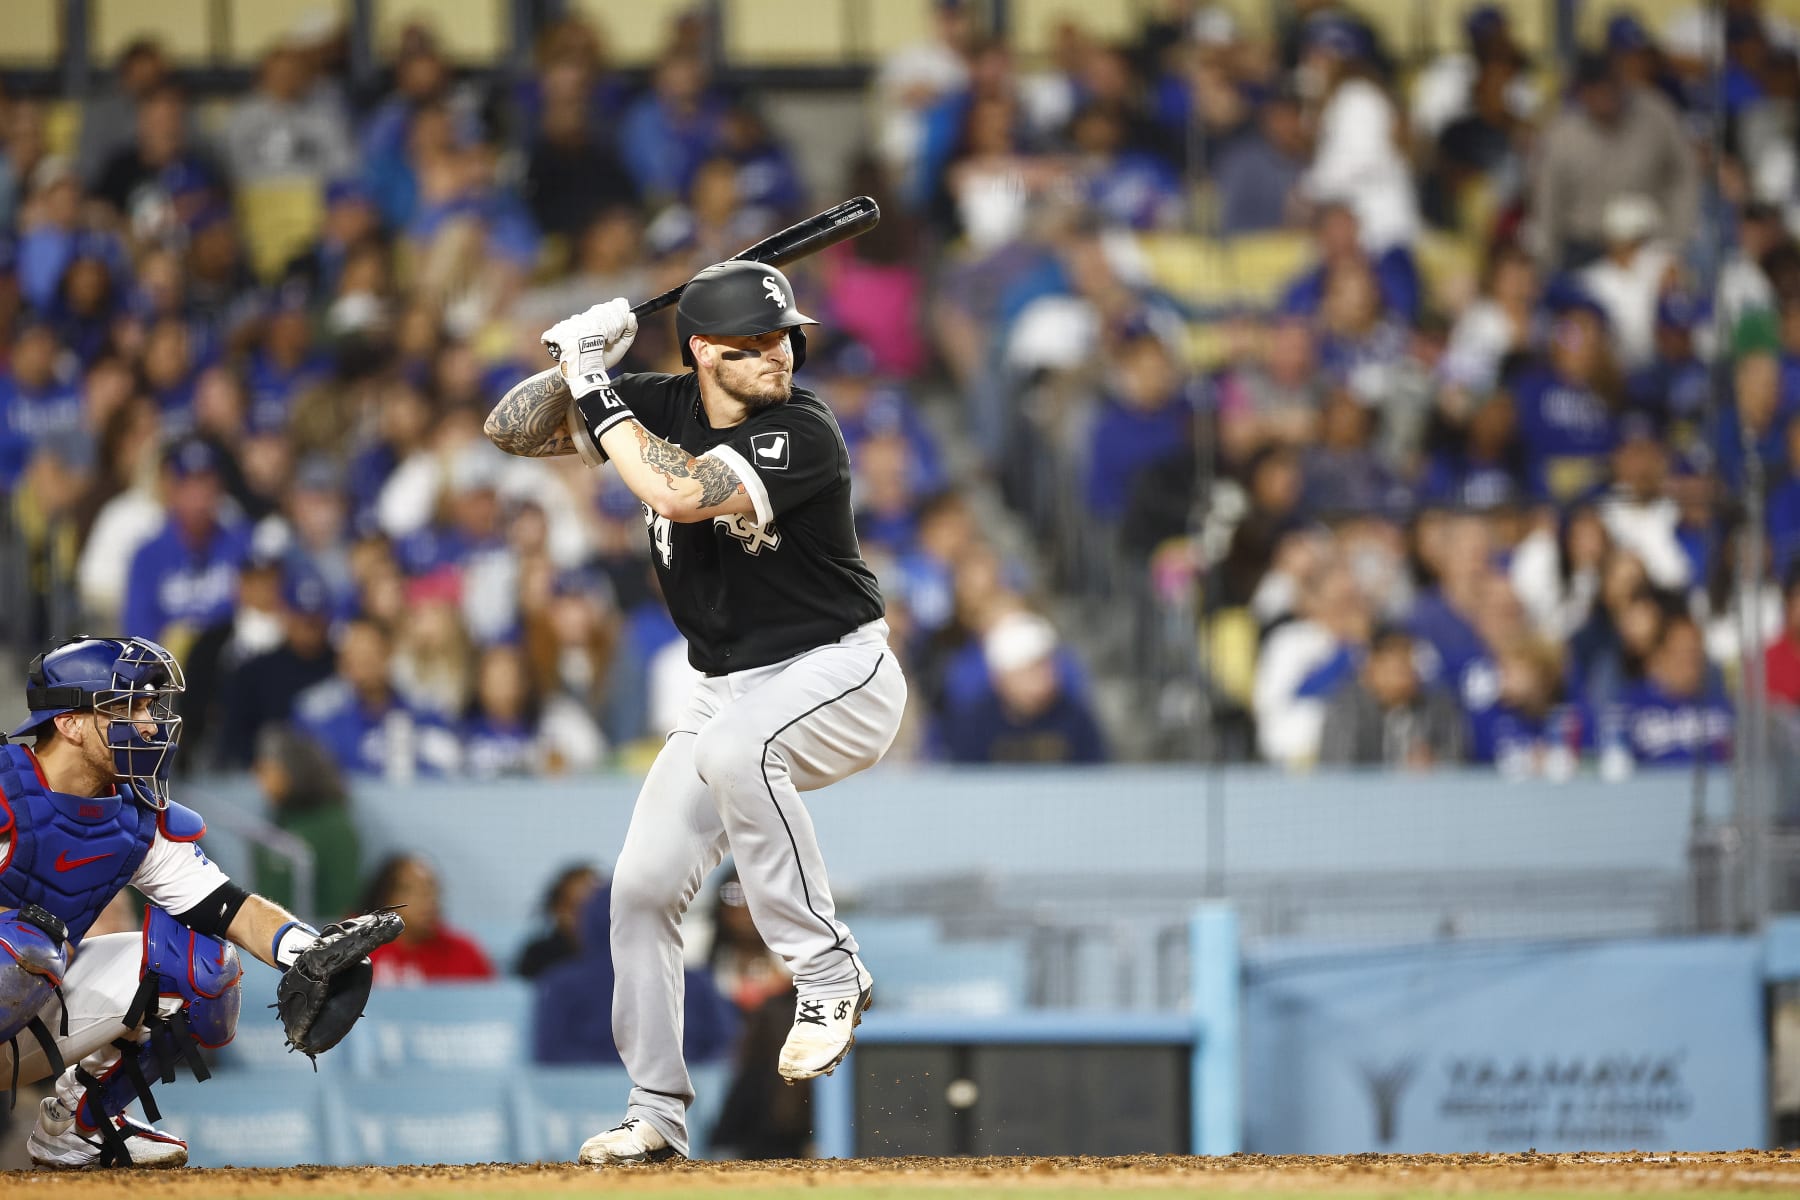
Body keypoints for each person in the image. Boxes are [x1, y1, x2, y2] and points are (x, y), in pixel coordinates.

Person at [483, 260, 908, 1165]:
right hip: (728, 690)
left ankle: (828, 971)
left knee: (738, 750)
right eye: (754, 343)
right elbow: (509, 429)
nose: (779, 354)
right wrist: (574, 356)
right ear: (705, 351)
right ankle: (657, 1116)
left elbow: (676, 490)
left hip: (841, 671)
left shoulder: (805, 428)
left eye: (785, 337)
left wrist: (595, 385)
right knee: (636, 891)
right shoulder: (658, 400)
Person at [0, 636, 389, 1167]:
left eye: (148, 706)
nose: (149, 724)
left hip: (25, 1014)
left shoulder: (133, 818)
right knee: (24, 946)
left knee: (201, 968)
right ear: (68, 722)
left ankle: (77, 1124)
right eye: (126, 706)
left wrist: (309, 951)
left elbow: (231, 907)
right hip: (16, 969)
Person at [530, 881, 737, 1067]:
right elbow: (722, 1050)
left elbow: (550, 1055)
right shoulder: (695, 983)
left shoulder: (560, 985)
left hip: (585, 1105)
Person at [249, 724, 362, 921]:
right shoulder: (277, 818)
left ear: (293, 770)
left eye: (269, 769)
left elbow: (341, 900)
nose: (261, 780)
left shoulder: (333, 823)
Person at [1317, 627, 1468, 768]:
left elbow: (1457, 760)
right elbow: (1336, 769)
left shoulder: (1438, 707)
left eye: (1406, 662)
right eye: (1392, 666)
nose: (1401, 673)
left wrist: (1435, 763)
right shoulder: (1346, 709)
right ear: (1369, 668)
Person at [359, 853, 494, 985]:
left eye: (432, 889)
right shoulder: (360, 951)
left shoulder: (466, 954)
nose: (428, 899)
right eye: (412, 890)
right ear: (387, 896)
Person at [515, 862, 603, 980]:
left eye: (592, 908)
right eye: (575, 907)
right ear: (557, 909)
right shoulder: (539, 955)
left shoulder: (617, 954)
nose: (585, 917)